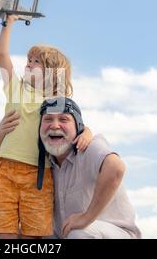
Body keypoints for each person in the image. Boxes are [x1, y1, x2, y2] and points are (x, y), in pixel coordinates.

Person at [0, 15, 92, 239]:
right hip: (6, 171)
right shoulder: (16, 89)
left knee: (32, 237)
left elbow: (78, 126)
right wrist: (8, 22)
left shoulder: (57, 101)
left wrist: (88, 134)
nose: (28, 64)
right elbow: (3, 56)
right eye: (28, 59)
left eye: (36, 61)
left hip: (39, 175)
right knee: (6, 234)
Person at [38, 97, 142, 239]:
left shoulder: (89, 147)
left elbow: (116, 168)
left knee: (78, 234)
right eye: (48, 119)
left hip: (116, 232)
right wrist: (0, 137)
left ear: (78, 127)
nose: (55, 125)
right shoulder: (43, 163)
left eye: (63, 119)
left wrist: (87, 217)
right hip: (69, 234)